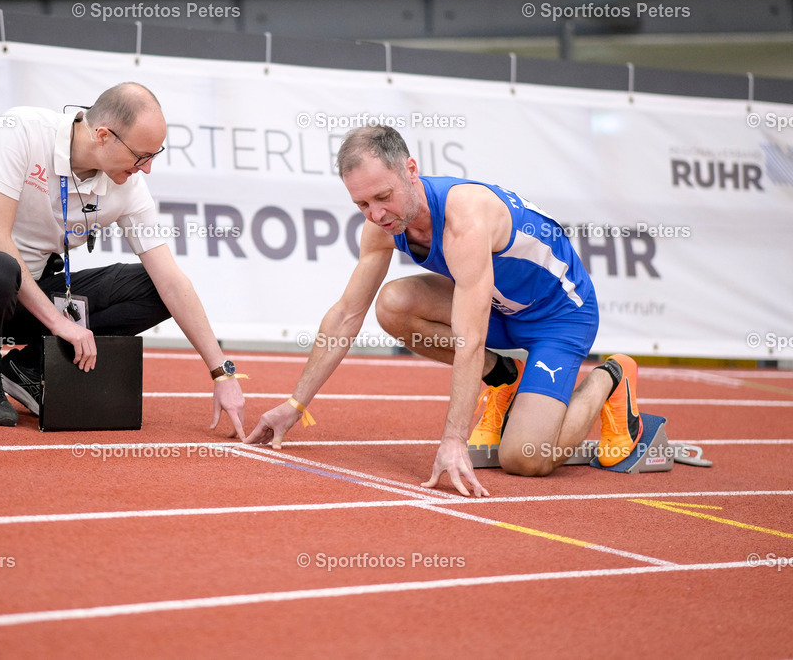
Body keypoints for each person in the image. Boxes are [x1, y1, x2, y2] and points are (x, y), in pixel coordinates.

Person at [245, 125, 642, 497]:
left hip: (559, 318)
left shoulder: (465, 219)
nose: (377, 215)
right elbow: (347, 314)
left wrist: (454, 441)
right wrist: (294, 406)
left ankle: (611, 377)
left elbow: (470, 339)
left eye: (383, 197)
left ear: (411, 171)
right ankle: (504, 378)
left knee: (525, 458)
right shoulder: (382, 227)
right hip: (499, 307)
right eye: (362, 204)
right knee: (392, 305)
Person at [0, 82, 245, 432]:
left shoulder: (128, 187)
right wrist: (61, 325)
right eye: (141, 156)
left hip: (24, 298)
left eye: (153, 156)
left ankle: (28, 369)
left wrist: (222, 373)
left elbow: (172, 282)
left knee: (153, 288)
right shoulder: (24, 130)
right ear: (103, 135)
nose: (146, 169)